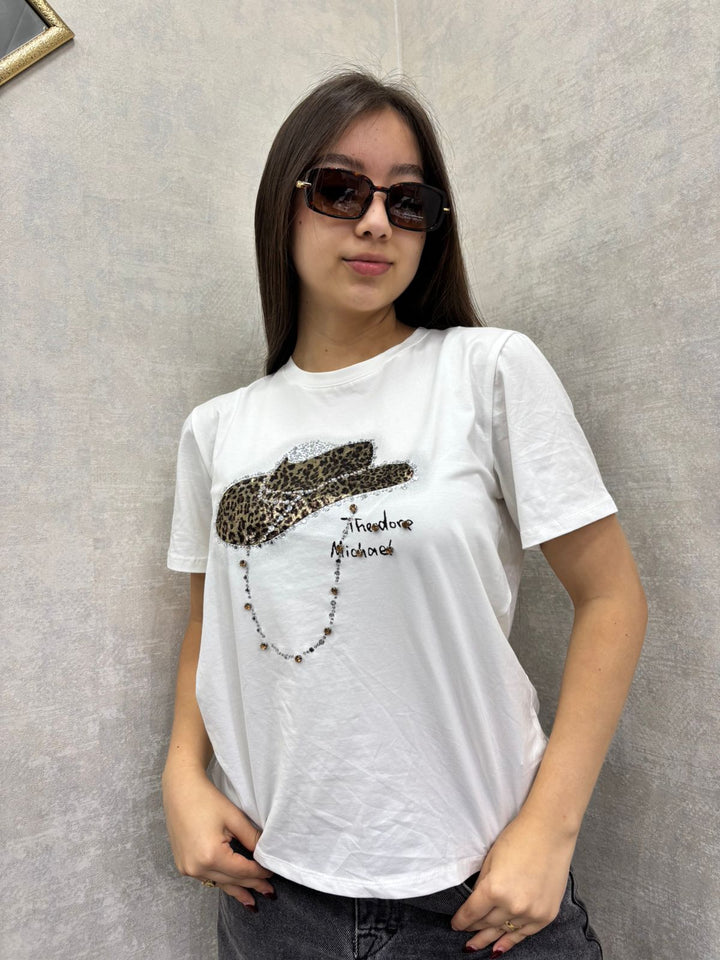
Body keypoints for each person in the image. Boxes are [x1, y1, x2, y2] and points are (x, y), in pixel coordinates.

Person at [163, 69, 647, 959]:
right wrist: (181, 775)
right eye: (340, 189)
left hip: (477, 897)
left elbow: (612, 598)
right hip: (273, 896)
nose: (377, 222)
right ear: (283, 206)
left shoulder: (488, 372)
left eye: (408, 200)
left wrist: (550, 831)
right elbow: (209, 621)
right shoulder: (217, 430)